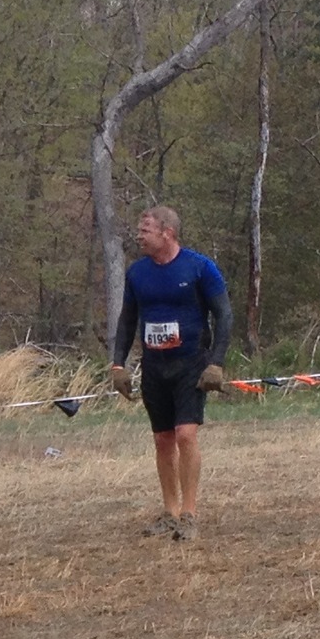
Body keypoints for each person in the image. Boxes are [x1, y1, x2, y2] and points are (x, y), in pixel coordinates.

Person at [105, 207, 232, 542]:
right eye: (139, 228)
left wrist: (216, 362)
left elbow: (224, 315)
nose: (139, 234)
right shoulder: (137, 273)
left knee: (186, 434)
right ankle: (170, 512)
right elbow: (127, 320)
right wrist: (118, 364)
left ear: (168, 233)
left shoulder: (200, 267)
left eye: (146, 229)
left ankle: (190, 514)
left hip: (191, 363)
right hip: (154, 366)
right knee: (163, 439)